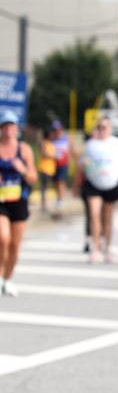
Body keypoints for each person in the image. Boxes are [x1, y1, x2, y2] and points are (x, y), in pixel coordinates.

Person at [78, 117, 118, 264]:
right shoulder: (90, 145)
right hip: (93, 184)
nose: (102, 130)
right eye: (100, 127)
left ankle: (107, 247)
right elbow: (81, 166)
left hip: (112, 184)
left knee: (107, 216)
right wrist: (77, 184)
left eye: (105, 127)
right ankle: (95, 249)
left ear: (109, 128)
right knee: (94, 214)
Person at [0, 111, 37, 296]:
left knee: (15, 245)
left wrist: (22, 170)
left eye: (11, 126)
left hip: (19, 201)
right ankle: (0, 276)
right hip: (1, 201)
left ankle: (7, 280)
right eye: (4, 126)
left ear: (16, 128)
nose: (8, 130)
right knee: (3, 237)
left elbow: (32, 178)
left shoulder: (24, 150)